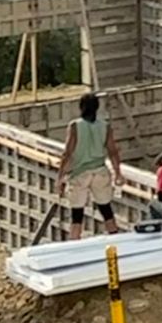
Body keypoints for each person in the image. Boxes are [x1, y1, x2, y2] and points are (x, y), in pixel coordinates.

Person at [56, 93, 124, 240]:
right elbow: (113, 151)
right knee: (106, 209)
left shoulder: (75, 126)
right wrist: (118, 173)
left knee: (77, 214)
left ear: (81, 107)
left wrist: (60, 176)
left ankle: (75, 244)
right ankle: (116, 240)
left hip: (80, 173)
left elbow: (67, 153)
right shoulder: (105, 126)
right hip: (100, 171)